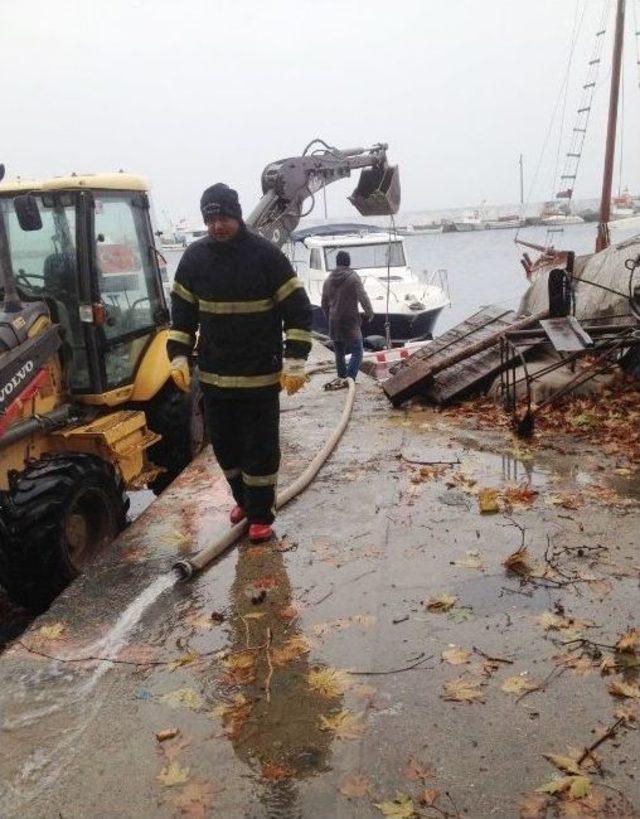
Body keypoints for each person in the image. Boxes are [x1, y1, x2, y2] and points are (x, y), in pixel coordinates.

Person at [167, 183, 312, 543]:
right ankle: (243, 501)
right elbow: (182, 316)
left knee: (259, 451)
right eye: (211, 219)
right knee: (226, 449)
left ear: (236, 215)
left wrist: (295, 360)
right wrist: (179, 357)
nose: (217, 226)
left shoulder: (265, 256)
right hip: (215, 379)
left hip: (260, 378)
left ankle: (261, 514)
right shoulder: (194, 260)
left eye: (224, 218)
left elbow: (298, 310)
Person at [321, 250, 374, 389]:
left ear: (337, 262)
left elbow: (323, 303)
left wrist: (329, 317)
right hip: (350, 320)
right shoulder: (353, 277)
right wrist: (370, 313)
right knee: (357, 350)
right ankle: (350, 377)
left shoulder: (328, 280)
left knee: (339, 350)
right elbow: (363, 297)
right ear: (348, 262)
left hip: (334, 320)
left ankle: (342, 376)